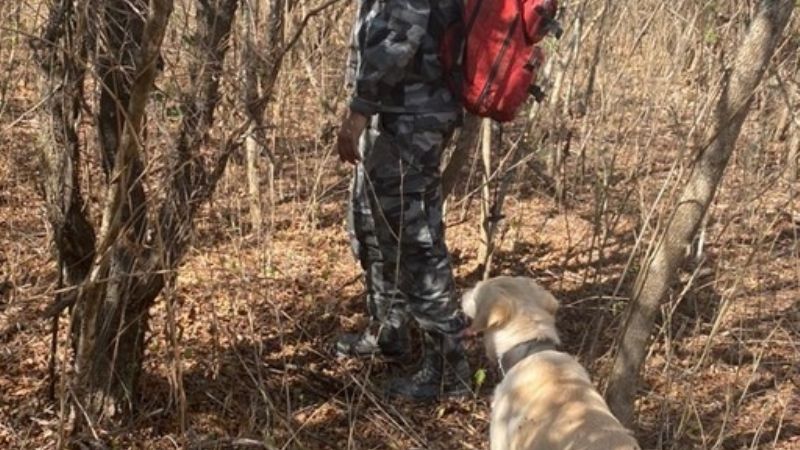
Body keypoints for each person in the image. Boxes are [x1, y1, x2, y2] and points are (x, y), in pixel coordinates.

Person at [334, 0, 471, 401]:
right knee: (373, 226)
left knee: (416, 242)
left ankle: (448, 371)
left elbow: (398, 37)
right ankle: (389, 331)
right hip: (393, 116)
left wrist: (360, 107)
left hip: (412, 120)